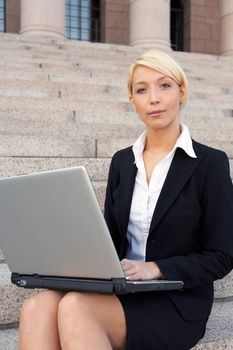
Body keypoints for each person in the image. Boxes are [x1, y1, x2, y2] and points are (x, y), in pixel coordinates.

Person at [19, 49, 233, 350]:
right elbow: (110, 238)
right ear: (132, 100)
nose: (154, 98)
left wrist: (155, 268)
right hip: (121, 288)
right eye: (141, 89)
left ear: (181, 91)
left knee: (76, 308)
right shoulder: (122, 162)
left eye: (164, 85)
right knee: (36, 308)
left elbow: (221, 257)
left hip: (176, 300)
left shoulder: (210, 163)